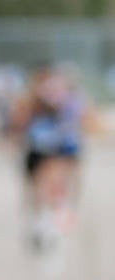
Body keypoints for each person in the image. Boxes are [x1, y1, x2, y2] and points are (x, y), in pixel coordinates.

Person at [10, 63, 87, 250]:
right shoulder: (29, 99)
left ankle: (51, 223)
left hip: (56, 147)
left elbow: (77, 119)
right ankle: (40, 221)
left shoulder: (65, 98)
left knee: (54, 184)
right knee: (36, 188)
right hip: (37, 146)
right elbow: (20, 122)